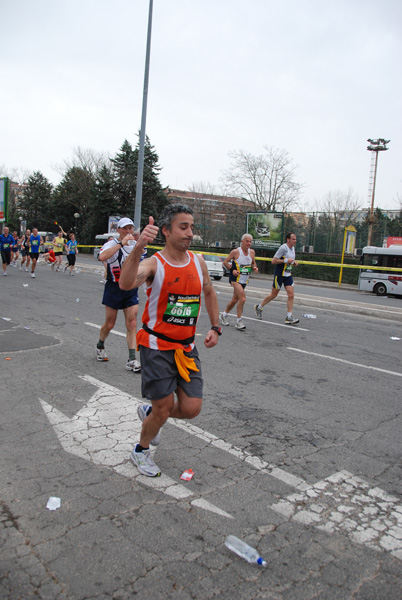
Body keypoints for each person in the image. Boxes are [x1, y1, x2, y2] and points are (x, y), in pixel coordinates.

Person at [119, 204, 222, 478]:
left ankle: (149, 412)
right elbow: (126, 283)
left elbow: (209, 292)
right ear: (166, 231)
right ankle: (140, 451)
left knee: (191, 408)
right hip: (156, 347)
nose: (190, 233)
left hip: (187, 348)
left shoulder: (197, 262)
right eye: (183, 227)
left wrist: (215, 326)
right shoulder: (154, 264)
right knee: (163, 409)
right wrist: (140, 244)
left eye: (191, 226)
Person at [96, 217, 141, 373]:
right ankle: (100, 345)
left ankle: (132, 359)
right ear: (119, 230)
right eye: (125, 228)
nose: (128, 231)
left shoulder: (136, 246)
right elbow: (102, 257)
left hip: (130, 287)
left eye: (130, 228)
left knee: (132, 322)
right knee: (110, 324)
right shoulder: (111, 244)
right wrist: (121, 244)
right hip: (114, 287)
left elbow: (141, 265)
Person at [254, 232, 299, 324]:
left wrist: (293, 262)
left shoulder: (293, 248)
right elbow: (273, 261)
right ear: (288, 239)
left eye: (295, 239)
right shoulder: (283, 248)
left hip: (288, 275)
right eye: (293, 239)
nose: (295, 241)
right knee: (274, 295)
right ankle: (259, 307)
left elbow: (289, 260)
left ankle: (289, 316)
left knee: (291, 295)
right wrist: (286, 260)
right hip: (279, 275)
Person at [219, 233, 258, 330]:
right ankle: (239, 321)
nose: (249, 243)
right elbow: (225, 262)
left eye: (250, 241)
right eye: (247, 241)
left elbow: (253, 262)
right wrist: (232, 270)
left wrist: (255, 267)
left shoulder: (252, 252)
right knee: (243, 299)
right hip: (235, 279)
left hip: (244, 280)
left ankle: (223, 315)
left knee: (235, 300)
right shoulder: (236, 252)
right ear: (242, 242)